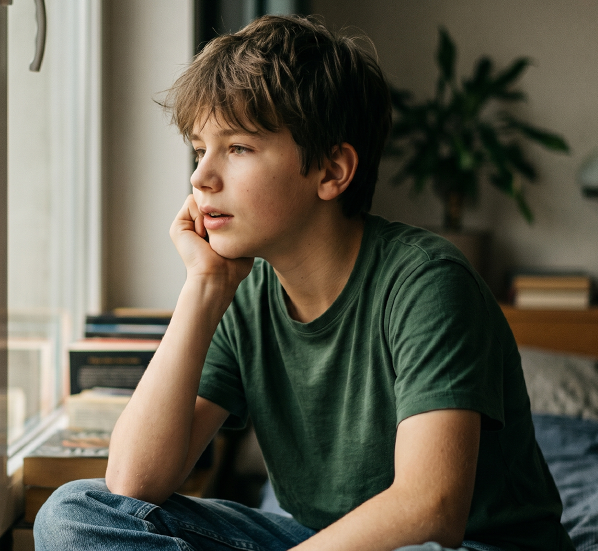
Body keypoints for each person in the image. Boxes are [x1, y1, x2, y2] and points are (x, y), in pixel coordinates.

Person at [36, 15, 574, 551]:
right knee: (73, 514)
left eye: (238, 148)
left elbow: (428, 508)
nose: (200, 177)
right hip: (318, 540)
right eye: (200, 150)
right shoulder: (243, 290)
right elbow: (135, 482)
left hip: (461, 547)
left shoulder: (427, 282)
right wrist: (202, 288)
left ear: (332, 172)